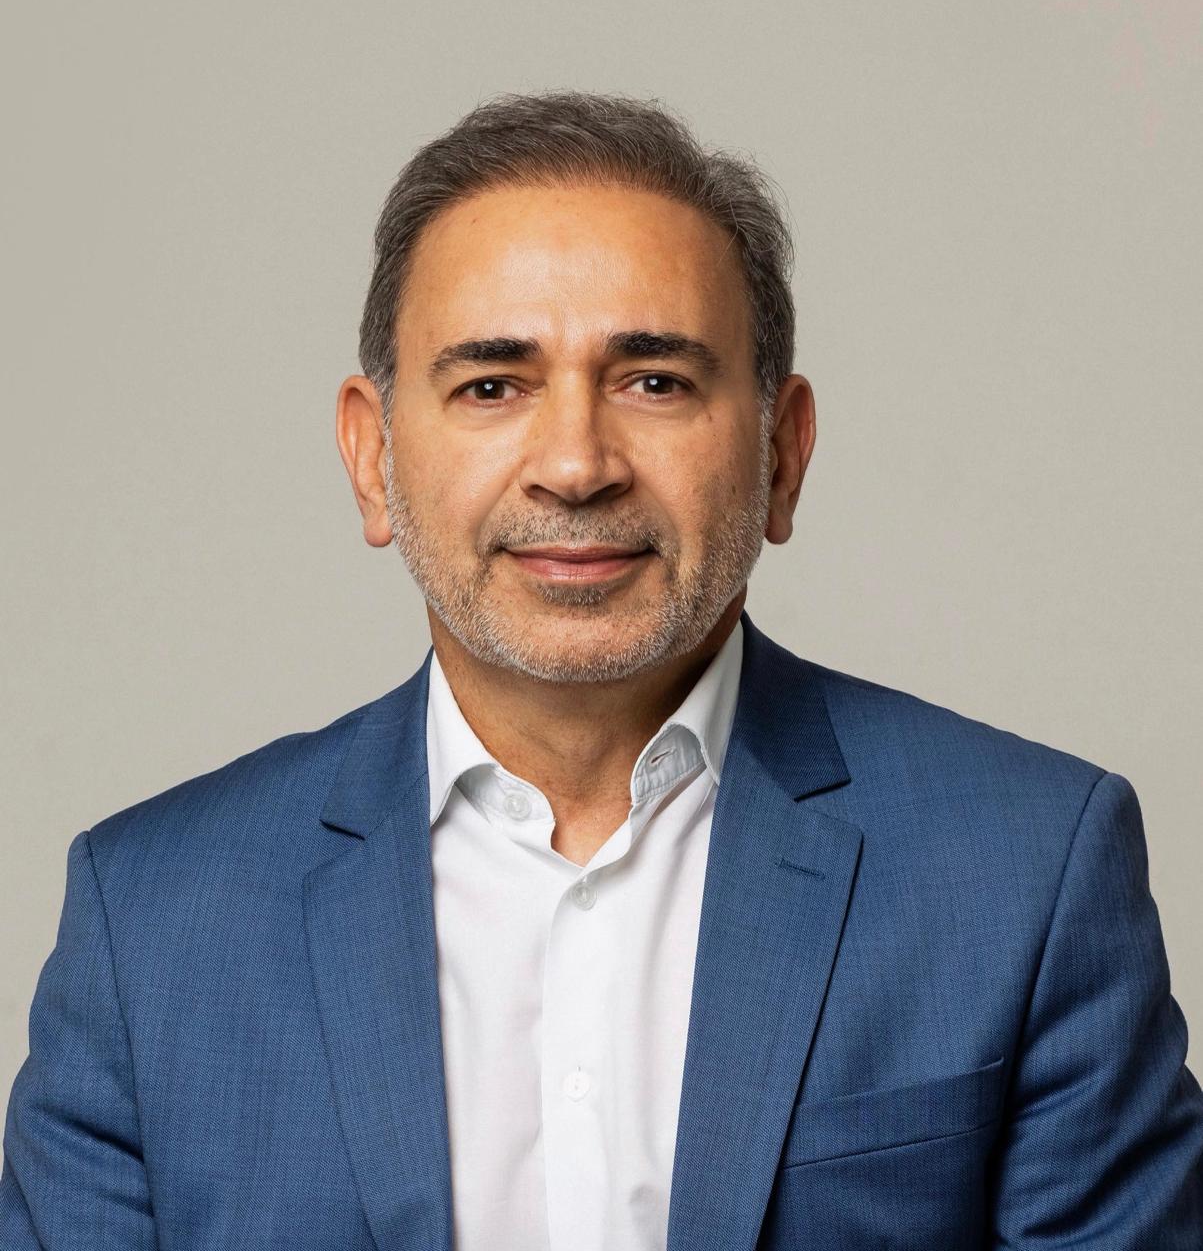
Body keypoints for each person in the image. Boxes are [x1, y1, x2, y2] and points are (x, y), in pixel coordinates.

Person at [2, 89, 1200, 1250]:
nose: (576, 465)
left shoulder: (1028, 870)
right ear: (373, 459)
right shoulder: (151, 920)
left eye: (655, 382)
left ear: (783, 454)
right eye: (492, 384)